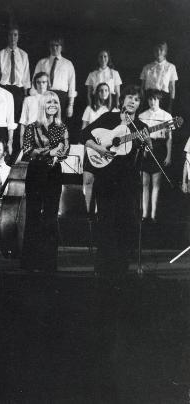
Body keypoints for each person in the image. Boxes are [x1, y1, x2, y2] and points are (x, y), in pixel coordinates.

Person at [82, 85, 147, 273]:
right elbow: (84, 134)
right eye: (129, 97)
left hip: (128, 182)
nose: (132, 101)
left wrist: (146, 143)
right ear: (122, 100)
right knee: (106, 221)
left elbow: (143, 158)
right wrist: (99, 148)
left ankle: (121, 268)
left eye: (136, 99)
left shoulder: (141, 127)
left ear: (139, 104)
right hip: (107, 180)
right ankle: (103, 266)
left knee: (126, 221)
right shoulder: (108, 118)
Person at [20, 91, 69, 272]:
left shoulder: (62, 127)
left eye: (55, 103)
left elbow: (65, 150)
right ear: (42, 105)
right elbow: (26, 150)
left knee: (50, 216)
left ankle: (49, 262)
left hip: (54, 173)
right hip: (36, 172)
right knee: (33, 215)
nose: (53, 106)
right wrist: (50, 152)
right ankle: (30, 262)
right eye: (49, 103)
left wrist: (60, 152)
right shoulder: (32, 127)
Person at [81, 82, 116, 217]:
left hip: (106, 149)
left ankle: (98, 211)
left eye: (106, 90)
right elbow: (83, 130)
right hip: (91, 147)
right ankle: (88, 211)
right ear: (97, 93)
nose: (103, 93)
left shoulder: (114, 110)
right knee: (88, 179)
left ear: (109, 93)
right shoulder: (89, 109)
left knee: (101, 181)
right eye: (100, 90)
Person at [138, 90, 172, 223]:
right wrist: (143, 147)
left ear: (159, 100)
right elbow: (139, 136)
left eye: (155, 100)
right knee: (145, 184)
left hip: (159, 149)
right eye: (150, 99)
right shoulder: (141, 115)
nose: (153, 102)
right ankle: (144, 215)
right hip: (145, 149)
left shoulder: (166, 115)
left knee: (156, 184)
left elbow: (169, 138)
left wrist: (168, 155)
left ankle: (153, 215)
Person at [0, 25, 30, 123]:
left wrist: (26, 94)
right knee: (3, 116)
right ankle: (4, 138)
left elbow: (26, 75)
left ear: (18, 37)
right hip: (3, 88)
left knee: (17, 117)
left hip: (18, 90)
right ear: (7, 37)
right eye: (10, 35)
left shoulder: (23, 55)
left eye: (15, 35)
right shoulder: (0, 54)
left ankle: (15, 138)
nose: (13, 37)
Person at [33, 37, 76, 120]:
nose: (54, 48)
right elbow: (34, 82)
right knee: (44, 123)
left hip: (61, 98)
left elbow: (72, 86)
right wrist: (36, 100)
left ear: (62, 47)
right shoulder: (42, 62)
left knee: (59, 124)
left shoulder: (68, 64)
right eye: (52, 45)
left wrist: (70, 105)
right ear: (49, 47)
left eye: (57, 45)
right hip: (44, 95)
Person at [140, 41, 177, 113]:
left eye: (161, 50)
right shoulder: (147, 67)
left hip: (163, 99)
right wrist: (142, 102)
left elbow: (172, 88)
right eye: (156, 50)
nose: (158, 52)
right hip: (149, 98)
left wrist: (170, 105)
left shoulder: (171, 67)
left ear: (165, 52)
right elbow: (142, 87)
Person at [19, 72, 49, 147]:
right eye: (38, 82)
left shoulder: (52, 100)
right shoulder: (28, 100)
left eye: (44, 82)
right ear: (35, 84)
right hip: (31, 135)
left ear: (48, 83)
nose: (41, 85)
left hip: (47, 135)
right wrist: (21, 141)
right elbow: (23, 121)